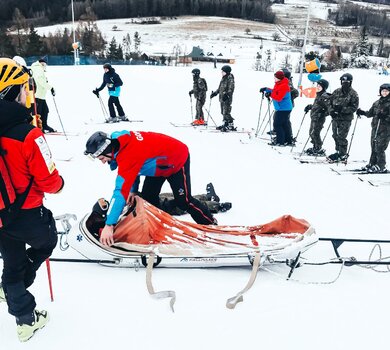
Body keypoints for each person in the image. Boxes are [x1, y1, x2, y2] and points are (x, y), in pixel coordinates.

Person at [0, 58, 64, 342]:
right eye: (25, 86)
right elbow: (50, 183)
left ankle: (25, 319)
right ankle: (14, 288)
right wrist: (60, 184)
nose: (29, 92)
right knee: (48, 241)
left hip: (1, 215)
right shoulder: (29, 134)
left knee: (12, 264)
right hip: (28, 213)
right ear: (13, 91)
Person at [84, 130, 216, 246]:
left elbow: (120, 192)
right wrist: (133, 190)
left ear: (107, 150)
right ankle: (158, 229)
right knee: (148, 200)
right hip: (158, 165)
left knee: (183, 201)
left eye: (101, 158)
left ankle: (210, 224)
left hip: (176, 160)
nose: (102, 162)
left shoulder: (129, 154)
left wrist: (109, 224)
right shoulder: (118, 142)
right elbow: (133, 168)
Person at [356, 83, 390, 173]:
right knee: (374, 146)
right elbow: (370, 113)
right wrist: (362, 112)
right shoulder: (377, 103)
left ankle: (381, 165)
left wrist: (385, 116)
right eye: (383, 91)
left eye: (387, 91)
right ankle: (372, 163)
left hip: (385, 129)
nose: (385, 93)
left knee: (380, 147)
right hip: (375, 128)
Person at [327, 73, 359, 162]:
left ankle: (343, 154)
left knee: (342, 136)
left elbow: (354, 107)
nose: (345, 83)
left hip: (346, 119)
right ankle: (338, 151)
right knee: (335, 135)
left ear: (350, 82)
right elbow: (329, 102)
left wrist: (342, 109)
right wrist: (331, 111)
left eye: (347, 81)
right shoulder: (336, 91)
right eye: (343, 81)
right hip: (335, 117)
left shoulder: (353, 94)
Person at [260, 70, 294, 146]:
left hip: (283, 109)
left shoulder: (284, 86)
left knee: (277, 124)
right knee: (284, 124)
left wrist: (270, 94)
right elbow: (275, 91)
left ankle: (280, 141)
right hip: (282, 108)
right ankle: (287, 140)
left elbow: (278, 97)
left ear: (279, 78)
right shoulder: (279, 83)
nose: (274, 79)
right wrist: (266, 89)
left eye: (275, 78)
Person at [304, 79, 331, 156]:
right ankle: (315, 146)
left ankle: (318, 148)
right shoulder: (319, 94)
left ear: (324, 87)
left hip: (319, 118)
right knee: (311, 132)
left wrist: (323, 112)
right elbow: (317, 106)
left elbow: (329, 109)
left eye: (320, 86)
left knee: (315, 133)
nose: (318, 87)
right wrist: (311, 107)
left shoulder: (325, 96)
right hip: (314, 117)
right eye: (317, 85)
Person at [30, 58, 56, 133]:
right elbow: (40, 80)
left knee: (45, 110)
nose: (45, 66)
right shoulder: (38, 69)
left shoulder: (37, 68)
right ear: (41, 63)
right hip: (38, 95)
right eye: (44, 65)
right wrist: (50, 88)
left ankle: (44, 125)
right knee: (39, 112)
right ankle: (39, 127)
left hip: (40, 95)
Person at [210, 65, 236, 132]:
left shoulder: (230, 78)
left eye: (223, 71)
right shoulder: (223, 78)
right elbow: (220, 88)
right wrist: (215, 93)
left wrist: (227, 95)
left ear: (227, 72)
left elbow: (231, 88)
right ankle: (225, 123)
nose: (222, 72)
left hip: (227, 98)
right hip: (222, 98)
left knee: (226, 112)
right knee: (223, 112)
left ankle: (230, 124)